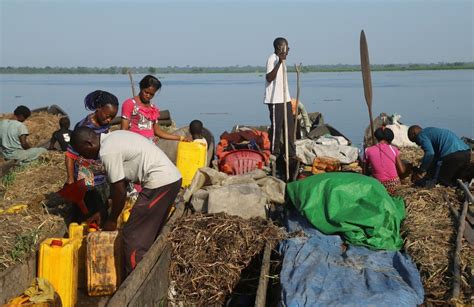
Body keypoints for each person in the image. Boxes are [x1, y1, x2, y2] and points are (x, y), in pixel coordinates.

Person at [70, 127, 182, 274]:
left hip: (160, 183)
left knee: (132, 234)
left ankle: (135, 276)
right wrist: (104, 212)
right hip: (170, 180)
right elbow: (119, 185)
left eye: (83, 152)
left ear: (89, 144)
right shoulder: (112, 138)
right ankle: (149, 266)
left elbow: (119, 191)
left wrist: (112, 220)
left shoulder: (107, 152)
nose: (85, 157)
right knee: (148, 231)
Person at [65, 90, 119, 222]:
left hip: (102, 171)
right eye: (107, 116)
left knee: (103, 205)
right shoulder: (83, 127)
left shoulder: (105, 123)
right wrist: (70, 179)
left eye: (112, 117)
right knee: (87, 210)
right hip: (86, 173)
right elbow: (70, 154)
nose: (109, 120)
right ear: (98, 109)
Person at [121, 75, 191, 142]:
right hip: (136, 144)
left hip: (152, 145)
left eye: (152, 94)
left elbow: (158, 132)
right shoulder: (130, 104)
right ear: (141, 88)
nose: (148, 96)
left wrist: (181, 138)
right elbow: (124, 130)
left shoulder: (152, 108)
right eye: (146, 92)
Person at [264, 37, 296, 179]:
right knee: (277, 129)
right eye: (285, 48)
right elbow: (269, 78)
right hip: (275, 101)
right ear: (279, 48)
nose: (287, 51)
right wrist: (279, 62)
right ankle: (275, 154)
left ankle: (290, 152)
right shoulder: (272, 59)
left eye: (288, 48)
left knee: (289, 127)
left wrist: (283, 61)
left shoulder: (283, 61)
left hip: (285, 99)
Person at [364, 127, 409, 194]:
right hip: (394, 185)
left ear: (377, 138)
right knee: (406, 163)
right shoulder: (394, 149)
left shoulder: (368, 150)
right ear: (390, 139)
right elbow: (402, 170)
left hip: (378, 185)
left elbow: (365, 172)